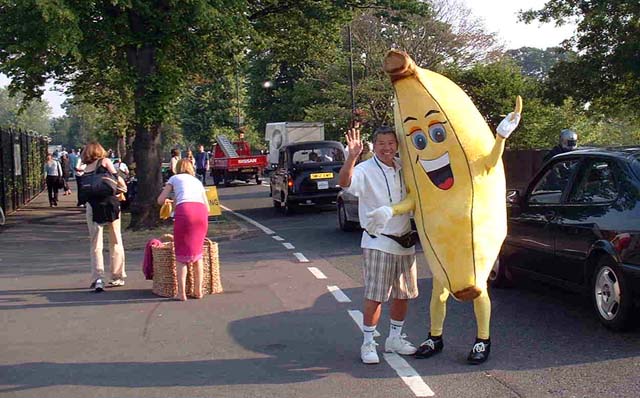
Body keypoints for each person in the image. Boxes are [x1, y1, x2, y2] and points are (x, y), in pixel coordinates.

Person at [338, 124, 418, 364]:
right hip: (378, 241)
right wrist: (351, 157)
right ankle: (368, 342)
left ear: (397, 145)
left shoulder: (404, 167)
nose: (387, 148)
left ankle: (394, 338)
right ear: (374, 146)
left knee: (404, 294)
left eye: (391, 143)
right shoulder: (364, 169)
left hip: (405, 240)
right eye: (381, 143)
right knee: (376, 296)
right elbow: (345, 183)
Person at [157, 159, 209, 301]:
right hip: (201, 212)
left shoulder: (174, 178)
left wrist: (169, 201)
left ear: (178, 168)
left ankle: (181, 293)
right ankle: (198, 290)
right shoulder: (197, 182)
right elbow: (208, 207)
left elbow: (160, 200)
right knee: (198, 254)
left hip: (185, 212)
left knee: (181, 255)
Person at [81, 142, 126, 292]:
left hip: (93, 207)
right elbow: (116, 179)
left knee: (95, 244)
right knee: (115, 240)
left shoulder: (85, 168)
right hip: (110, 204)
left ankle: (98, 277)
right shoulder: (105, 162)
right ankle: (117, 275)